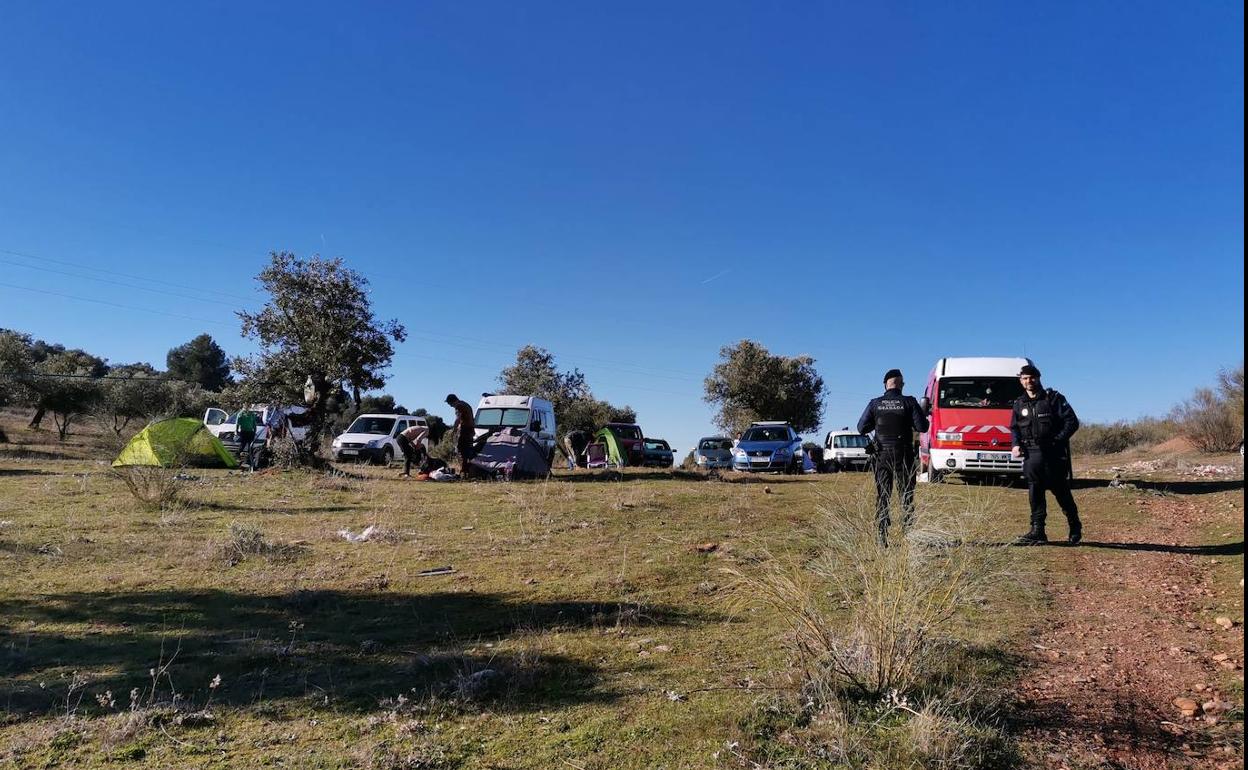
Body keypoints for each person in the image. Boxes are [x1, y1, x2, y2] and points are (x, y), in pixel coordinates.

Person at [1010, 364, 1082, 545]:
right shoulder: (1019, 403)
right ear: (1020, 381)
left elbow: (1072, 422)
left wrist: (1057, 440)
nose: (1029, 381)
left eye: (1032, 377)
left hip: (1053, 454)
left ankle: (1074, 526)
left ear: (1038, 378)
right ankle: (1038, 531)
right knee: (1035, 493)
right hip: (1031, 455)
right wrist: (1016, 444)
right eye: (1025, 378)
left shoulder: (1053, 398)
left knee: (1061, 491)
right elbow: (1015, 428)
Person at [857, 369, 929, 546]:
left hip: (881, 456)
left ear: (885, 385)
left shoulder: (875, 404)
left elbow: (861, 428)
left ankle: (881, 537)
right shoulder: (909, 402)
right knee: (906, 496)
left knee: (883, 496)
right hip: (903, 456)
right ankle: (908, 536)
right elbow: (923, 427)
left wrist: (877, 422)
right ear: (902, 385)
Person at [446, 393, 476, 475]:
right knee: (467, 449)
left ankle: (464, 470)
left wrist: (454, 430)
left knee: (462, 449)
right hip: (470, 429)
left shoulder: (459, 406)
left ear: (452, 401)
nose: (450, 406)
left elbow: (458, 419)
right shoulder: (465, 404)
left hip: (465, 429)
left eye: (449, 403)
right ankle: (467, 469)